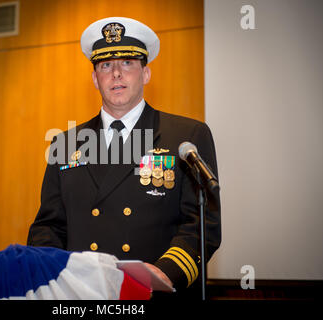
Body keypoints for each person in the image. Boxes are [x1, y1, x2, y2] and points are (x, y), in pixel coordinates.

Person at [27, 17, 221, 297]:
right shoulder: (65, 143)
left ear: (146, 74)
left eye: (127, 63)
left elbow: (202, 225)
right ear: (95, 78)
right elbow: (48, 226)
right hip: (82, 296)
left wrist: (166, 272)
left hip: (153, 292)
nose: (116, 73)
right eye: (106, 65)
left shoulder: (187, 137)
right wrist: (54, 274)